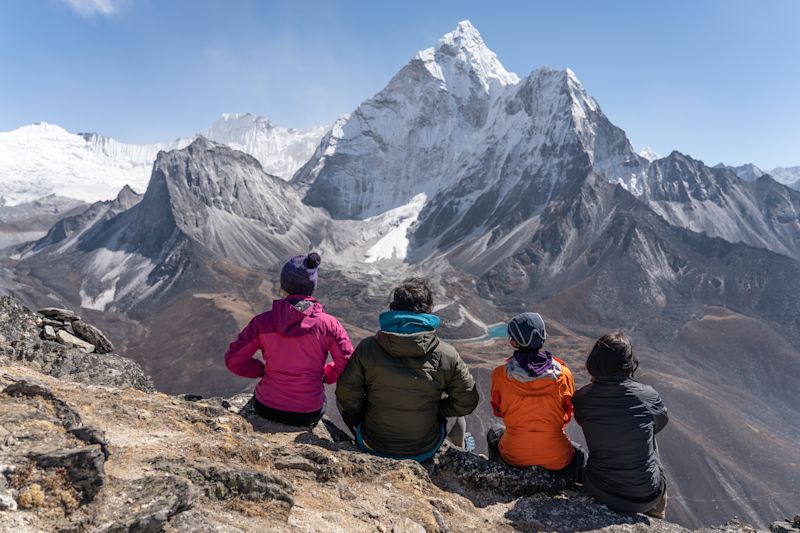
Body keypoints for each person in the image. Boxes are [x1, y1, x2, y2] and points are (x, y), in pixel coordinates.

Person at [335, 277, 479, 461]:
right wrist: (438, 409)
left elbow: (346, 393)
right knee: (459, 418)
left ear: (393, 308)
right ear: (429, 310)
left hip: (373, 443)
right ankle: (459, 451)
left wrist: (367, 412)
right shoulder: (446, 353)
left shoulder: (368, 347)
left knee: (342, 397)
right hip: (424, 449)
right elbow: (467, 400)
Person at [224, 252, 354, 427]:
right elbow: (346, 361)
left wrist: (262, 370)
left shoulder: (262, 323)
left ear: (283, 287)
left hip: (267, 407)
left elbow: (233, 360)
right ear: (311, 289)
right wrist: (325, 375)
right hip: (309, 412)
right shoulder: (330, 325)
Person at [573, 330, 669, 519]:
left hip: (599, 489)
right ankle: (657, 513)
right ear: (628, 364)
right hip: (646, 496)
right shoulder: (648, 396)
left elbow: (582, 420)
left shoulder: (582, 398)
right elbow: (661, 422)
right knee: (648, 434)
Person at [487, 312, 586, 478]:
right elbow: (568, 414)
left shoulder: (500, 374)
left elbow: (498, 411)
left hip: (513, 457)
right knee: (581, 453)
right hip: (557, 459)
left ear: (513, 342)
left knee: (494, 432)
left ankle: (499, 477)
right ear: (543, 337)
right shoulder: (564, 374)